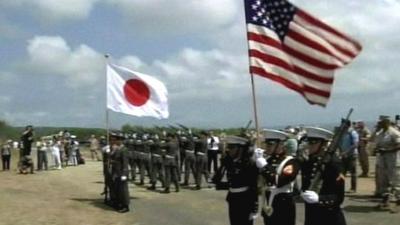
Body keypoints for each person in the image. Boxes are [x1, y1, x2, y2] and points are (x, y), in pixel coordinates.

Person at [300, 127, 347, 225]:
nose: (309, 145)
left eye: (313, 142)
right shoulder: (309, 162)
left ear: (323, 144)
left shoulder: (334, 164)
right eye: (309, 142)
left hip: (329, 218)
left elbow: (338, 197)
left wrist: (320, 199)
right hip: (312, 216)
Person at [256, 129, 300, 225]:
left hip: (283, 206)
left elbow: (279, 182)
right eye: (267, 144)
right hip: (268, 205)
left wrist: (264, 166)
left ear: (280, 145)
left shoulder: (291, 162)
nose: (267, 147)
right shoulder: (267, 160)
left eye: (270, 144)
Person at [214, 135, 258, 225]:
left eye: (232, 147)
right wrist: (223, 165)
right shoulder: (230, 161)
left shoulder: (249, 163)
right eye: (228, 147)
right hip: (232, 198)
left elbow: (254, 186)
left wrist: (254, 206)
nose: (229, 150)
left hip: (245, 200)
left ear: (240, 149)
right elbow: (216, 180)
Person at [373, 116, 400, 213]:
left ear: (387, 122)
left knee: (395, 181)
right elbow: (375, 142)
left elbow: (399, 145)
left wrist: (387, 150)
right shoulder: (380, 133)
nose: (380, 124)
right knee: (383, 180)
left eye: (382, 122)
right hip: (382, 159)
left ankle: (398, 203)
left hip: (392, 159)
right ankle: (385, 201)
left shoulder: (394, 132)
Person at [109, 132, 130, 213]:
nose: (116, 141)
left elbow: (125, 162)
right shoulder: (117, 149)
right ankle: (120, 203)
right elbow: (114, 158)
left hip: (122, 172)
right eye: (116, 139)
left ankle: (126, 206)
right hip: (117, 171)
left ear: (121, 141)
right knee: (118, 189)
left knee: (123, 190)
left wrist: (124, 174)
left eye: (118, 140)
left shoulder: (124, 150)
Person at [339, 121, 359, 193]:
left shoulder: (352, 133)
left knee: (353, 172)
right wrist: (341, 152)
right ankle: (340, 187)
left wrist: (346, 152)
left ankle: (353, 188)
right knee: (342, 172)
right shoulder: (342, 133)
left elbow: (355, 144)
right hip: (343, 155)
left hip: (351, 155)